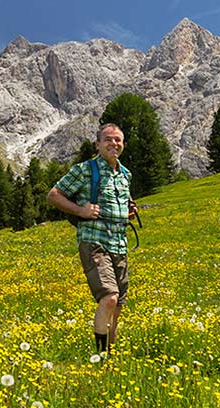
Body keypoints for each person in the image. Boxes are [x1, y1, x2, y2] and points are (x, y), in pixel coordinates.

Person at [47, 123, 138, 356]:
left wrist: (128, 211)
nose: (113, 143)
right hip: (94, 241)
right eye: (108, 139)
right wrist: (81, 210)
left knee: (117, 307)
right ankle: (100, 356)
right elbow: (54, 195)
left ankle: (110, 356)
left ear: (123, 144)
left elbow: (120, 202)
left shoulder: (125, 174)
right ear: (97, 145)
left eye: (118, 140)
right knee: (109, 298)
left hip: (119, 244)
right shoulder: (85, 170)